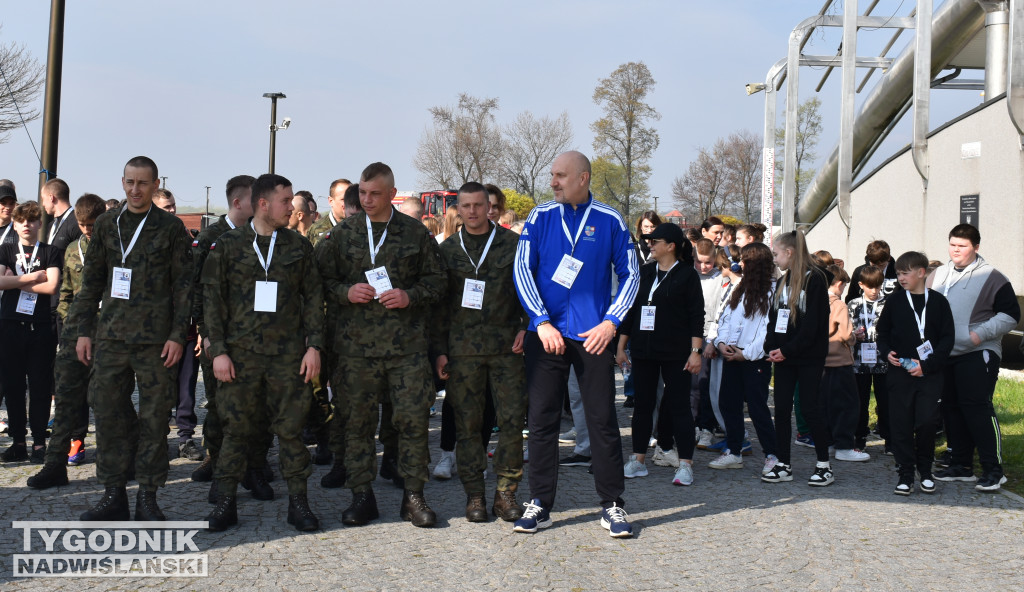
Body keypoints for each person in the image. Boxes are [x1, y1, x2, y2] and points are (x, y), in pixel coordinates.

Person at [513, 150, 638, 538]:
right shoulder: (540, 216)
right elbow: (522, 270)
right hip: (546, 335)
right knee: (542, 420)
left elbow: (631, 274)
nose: (553, 182)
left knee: (602, 420)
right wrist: (540, 321)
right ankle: (540, 503)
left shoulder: (610, 220)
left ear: (583, 178)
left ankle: (612, 505)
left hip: (593, 336)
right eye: (552, 175)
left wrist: (611, 322)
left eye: (561, 176)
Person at [317, 162, 445, 527]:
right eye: (362, 193)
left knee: (412, 423)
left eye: (375, 193)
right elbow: (318, 281)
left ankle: (414, 496)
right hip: (355, 351)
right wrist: (345, 291)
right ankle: (362, 496)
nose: (366, 199)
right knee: (356, 424)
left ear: (392, 194)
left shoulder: (415, 233)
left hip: (405, 350)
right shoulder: (343, 234)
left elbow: (437, 282)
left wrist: (409, 295)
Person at [69, 156, 194, 521]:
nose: (135, 190)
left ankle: (149, 497)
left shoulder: (170, 228)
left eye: (143, 183)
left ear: (155, 185)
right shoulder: (108, 224)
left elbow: (183, 287)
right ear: (122, 183)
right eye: (129, 182)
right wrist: (82, 332)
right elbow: (90, 283)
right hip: (110, 337)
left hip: (156, 342)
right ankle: (113, 493)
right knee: (107, 414)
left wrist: (177, 335)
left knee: (155, 419)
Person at [202, 173, 323, 532]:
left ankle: (298, 503)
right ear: (263, 204)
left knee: (290, 432)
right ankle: (225, 502)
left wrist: (314, 346)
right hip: (240, 358)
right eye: (286, 202)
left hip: (288, 358)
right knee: (235, 431)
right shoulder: (226, 246)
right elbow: (213, 303)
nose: (292, 208)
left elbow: (314, 300)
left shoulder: (298, 248)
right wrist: (218, 351)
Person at [432, 182, 528, 522]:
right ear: (457, 209)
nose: (472, 211)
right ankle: (475, 495)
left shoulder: (513, 244)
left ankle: (506, 493)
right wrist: (440, 352)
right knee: (468, 426)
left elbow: (529, 291)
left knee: (513, 422)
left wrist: (525, 327)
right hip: (462, 353)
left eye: (478, 205)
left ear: (489, 206)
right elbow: (439, 307)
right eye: (466, 206)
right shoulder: (446, 251)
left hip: (507, 349)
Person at [189, 175, 272, 503]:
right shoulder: (211, 237)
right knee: (220, 403)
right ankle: (217, 458)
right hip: (220, 338)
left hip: (257, 339)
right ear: (239, 202)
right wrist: (205, 333)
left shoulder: (263, 235)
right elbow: (197, 289)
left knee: (258, 405)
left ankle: (256, 461)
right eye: (256, 199)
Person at [929, 224, 1020, 491]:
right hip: (946, 355)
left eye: (963, 246)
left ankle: (994, 470)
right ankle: (961, 465)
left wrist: (978, 336)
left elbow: (1010, 315)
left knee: (977, 408)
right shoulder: (938, 275)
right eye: (953, 245)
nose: (956, 250)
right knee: (952, 409)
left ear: (976, 248)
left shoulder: (993, 277)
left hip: (978, 352)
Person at [28, 194, 109, 488]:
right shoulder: (74, 250)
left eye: (91, 224)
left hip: (106, 334)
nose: (87, 229)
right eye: (82, 224)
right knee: (64, 399)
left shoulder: (116, 249)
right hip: (75, 332)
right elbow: (65, 294)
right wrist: (67, 320)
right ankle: (55, 465)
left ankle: (117, 463)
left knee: (107, 400)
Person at [615, 223, 703, 485]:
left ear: (671, 246)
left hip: (676, 352)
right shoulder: (644, 272)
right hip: (644, 350)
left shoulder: (687, 275)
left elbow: (696, 316)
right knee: (642, 406)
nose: (650, 245)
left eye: (655, 241)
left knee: (679, 407)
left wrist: (696, 351)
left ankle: (686, 463)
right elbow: (631, 312)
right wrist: (621, 346)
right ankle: (638, 460)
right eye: (649, 241)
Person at [875, 251, 955, 495]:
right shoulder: (895, 301)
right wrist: (886, 351)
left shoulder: (939, 302)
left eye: (905, 272)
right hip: (900, 373)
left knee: (928, 422)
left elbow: (947, 339)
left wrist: (928, 365)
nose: (900, 277)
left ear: (921, 273)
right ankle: (905, 473)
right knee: (901, 423)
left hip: (929, 374)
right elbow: (883, 333)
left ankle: (926, 471)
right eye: (898, 273)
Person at [762, 230, 832, 486]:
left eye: (776, 254)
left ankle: (824, 464)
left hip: (808, 358)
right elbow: (774, 319)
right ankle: (783, 463)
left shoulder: (815, 281)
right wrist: (771, 346)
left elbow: (813, 324)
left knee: (810, 408)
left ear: (789, 253)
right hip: (783, 359)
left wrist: (788, 349)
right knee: (781, 409)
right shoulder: (783, 280)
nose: (775, 259)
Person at [0, 202, 62, 463]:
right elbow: (0, 281)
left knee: (39, 386)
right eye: (22, 221)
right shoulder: (5, 249)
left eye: (32, 220)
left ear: (39, 223)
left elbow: (52, 287)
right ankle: (18, 442)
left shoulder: (51, 251)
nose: (27, 225)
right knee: (13, 387)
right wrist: (33, 278)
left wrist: (17, 282)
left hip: (40, 327)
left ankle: (39, 442)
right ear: (15, 224)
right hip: (10, 325)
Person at [711, 242, 780, 475]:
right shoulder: (738, 287)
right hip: (732, 355)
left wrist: (747, 353)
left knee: (758, 407)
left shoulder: (772, 291)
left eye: (746, 260)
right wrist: (721, 343)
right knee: (728, 403)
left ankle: (772, 454)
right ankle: (734, 450)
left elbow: (767, 330)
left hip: (754, 360)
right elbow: (725, 319)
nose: (740, 264)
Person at [153, 188, 202, 461]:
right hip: (157, 330)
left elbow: (196, 288)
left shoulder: (190, 242)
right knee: (158, 389)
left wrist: (199, 329)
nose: (171, 211)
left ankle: (185, 438)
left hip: (185, 329)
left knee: (186, 388)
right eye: (165, 208)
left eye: (172, 207)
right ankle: (158, 440)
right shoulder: (149, 242)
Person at [821, 265, 870, 462]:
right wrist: (854, 337)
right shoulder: (838, 304)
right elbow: (844, 333)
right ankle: (844, 445)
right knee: (848, 405)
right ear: (839, 284)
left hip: (821, 360)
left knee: (826, 404)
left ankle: (830, 441)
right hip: (839, 360)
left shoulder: (816, 301)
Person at [848, 266, 890, 452]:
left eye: (878, 287)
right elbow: (846, 329)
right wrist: (854, 335)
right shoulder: (854, 304)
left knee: (886, 401)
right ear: (861, 285)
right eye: (870, 287)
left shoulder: (889, 303)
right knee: (860, 401)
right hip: (859, 361)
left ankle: (890, 439)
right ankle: (860, 437)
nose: (874, 291)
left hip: (883, 361)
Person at [306, 179, 351, 244]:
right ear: (330, 201)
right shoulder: (317, 229)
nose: (348, 203)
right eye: (343, 199)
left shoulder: (361, 226)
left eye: (351, 198)